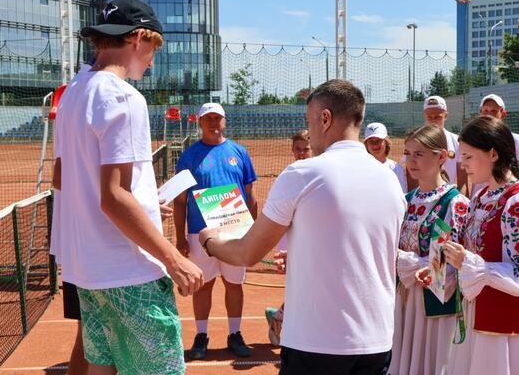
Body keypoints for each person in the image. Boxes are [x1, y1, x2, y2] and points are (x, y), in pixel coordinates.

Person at [198, 79, 406, 375]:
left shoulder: (303, 174)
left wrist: (209, 241)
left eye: (309, 120)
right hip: (376, 341)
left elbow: (247, 253)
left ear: (325, 119)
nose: (308, 131)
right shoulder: (390, 180)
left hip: (317, 342)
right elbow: (359, 247)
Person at [53, 0, 203, 374]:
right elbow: (114, 198)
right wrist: (175, 258)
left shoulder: (73, 92)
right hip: (129, 271)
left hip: (87, 271)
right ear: (138, 38)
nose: (153, 58)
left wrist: (145, 201)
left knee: (100, 368)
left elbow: (64, 177)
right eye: (154, 47)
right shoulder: (123, 96)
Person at [440, 116, 519, 375]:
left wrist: (471, 264)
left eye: (469, 157)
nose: (462, 163)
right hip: (478, 318)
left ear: (492, 154)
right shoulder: (482, 196)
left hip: (509, 328)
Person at [174, 102, 258, 360]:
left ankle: (235, 333)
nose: (213, 123)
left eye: (217, 118)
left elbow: (250, 196)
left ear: (224, 121)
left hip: (235, 232)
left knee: (234, 285)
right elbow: (180, 200)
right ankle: (201, 335)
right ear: (200, 122)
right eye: (208, 118)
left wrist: (253, 233)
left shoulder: (239, 152)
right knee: (204, 285)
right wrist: (180, 238)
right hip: (200, 234)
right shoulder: (189, 156)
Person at [389, 125, 469, 375]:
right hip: (403, 302)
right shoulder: (405, 200)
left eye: (419, 154)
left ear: (442, 157)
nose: (411, 161)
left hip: (433, 306)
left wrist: (401, 260)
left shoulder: (453, 203)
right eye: (408, 153)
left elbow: (440, 268)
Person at [265, 129, 313, 347]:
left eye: (306, 149)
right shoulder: (290, 173)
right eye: (298, 149)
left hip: (315, 239)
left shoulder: (321, 171)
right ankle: (280, 318)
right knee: (302, 285)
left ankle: (280, 316)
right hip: (294, 238)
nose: (302, 153)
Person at [471, 93, 519, 198]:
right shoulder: (472, 139)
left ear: (503, 114)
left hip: (506, 196)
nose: (489, 114)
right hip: (479, 198)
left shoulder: (516, 140)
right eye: (485, 110)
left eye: (494, 111)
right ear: (480, 113)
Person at [408, 96, 468, 195]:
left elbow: (462, 182)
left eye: (437, 116)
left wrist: (463, 206)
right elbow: (412, 181)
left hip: (447, 199)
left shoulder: (456, 141)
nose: (433, 120)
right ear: (424, 115)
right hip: (422, 198)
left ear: (446, 116)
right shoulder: (415, 141)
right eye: (429, 117)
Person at [363, 122, 408, 192]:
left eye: (379, 141)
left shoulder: (396, 168)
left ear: (386, 142)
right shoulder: (361, 168)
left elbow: (402, 195)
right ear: (366, 145)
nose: (375, 145)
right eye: (371, 141)